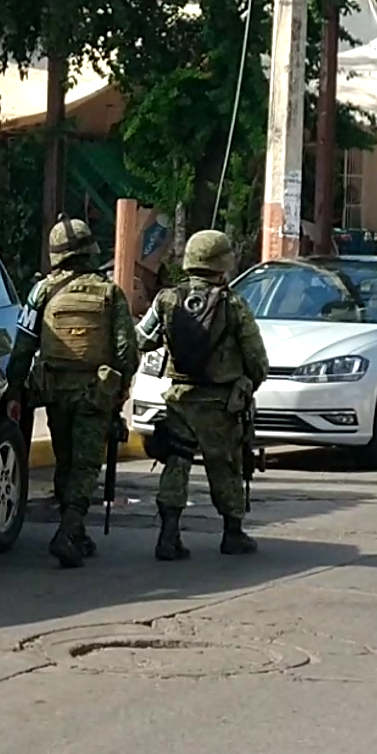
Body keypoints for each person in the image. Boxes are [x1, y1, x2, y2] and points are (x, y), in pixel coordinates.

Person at [6, 215, 139, 569]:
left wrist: (15, 390)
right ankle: (69, 530)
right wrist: (119, 391)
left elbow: (22, 347)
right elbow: (128, 352)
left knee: (66, 460)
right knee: (84, 466)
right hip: (95, 393)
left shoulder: (41, 291)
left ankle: (75, 531)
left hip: (54, 391)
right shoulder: (109, 292)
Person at [137, 229, 268, 559]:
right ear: (222, 264)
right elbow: (258, 361)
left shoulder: (167, 299)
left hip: (180, 397)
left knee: (176, 462)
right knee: (225, 466)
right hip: (219, 403)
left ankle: (168, 535)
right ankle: (233, 533)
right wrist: (245, 384)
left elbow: (142, 339)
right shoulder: (234, 305)